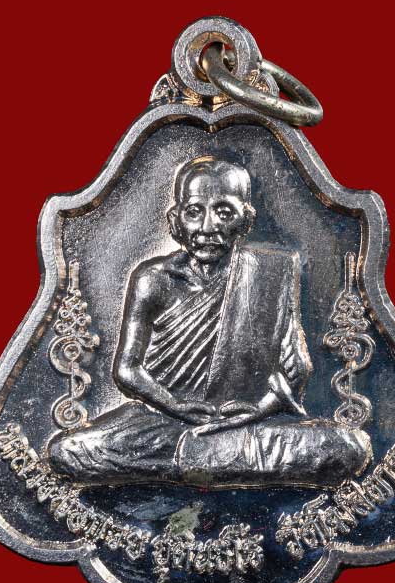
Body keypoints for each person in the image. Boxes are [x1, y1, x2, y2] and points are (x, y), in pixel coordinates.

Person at [49, 156, 371, 487]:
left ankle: (195, 460)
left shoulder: (271, 273)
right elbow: (127, 370)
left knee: (347, 447)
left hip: (246, 423)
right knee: (69, 451)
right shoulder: (153, 278)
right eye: (194, 212)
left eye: (224, 212)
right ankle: (216, 459)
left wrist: (259, 409)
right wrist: (176, 406)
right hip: (165, 421)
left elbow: (297, 368)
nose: (207, 227)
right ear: (175, 220)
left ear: (246, 220)